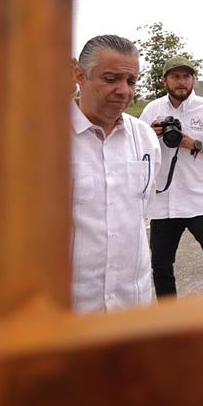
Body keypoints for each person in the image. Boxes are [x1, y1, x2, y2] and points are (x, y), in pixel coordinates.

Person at [70, 35, 161, 313]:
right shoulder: (43, 136)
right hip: (69, 312)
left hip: (132, 306)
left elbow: (141, 210)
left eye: (131, 81)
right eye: (111, 79)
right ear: (79, 75)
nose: (124, 90)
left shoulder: (144, 137)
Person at [140, 55, 203, 297]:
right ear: (164, 80)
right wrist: (149, 136)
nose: (182, 82)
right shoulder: (152, 110)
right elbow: (135, 149)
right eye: (176, 77)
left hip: (202, 201)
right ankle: (169, 323)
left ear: (193, 79)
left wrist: (193, 144)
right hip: (164, 204)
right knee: (161, 267)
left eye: (187, 76)